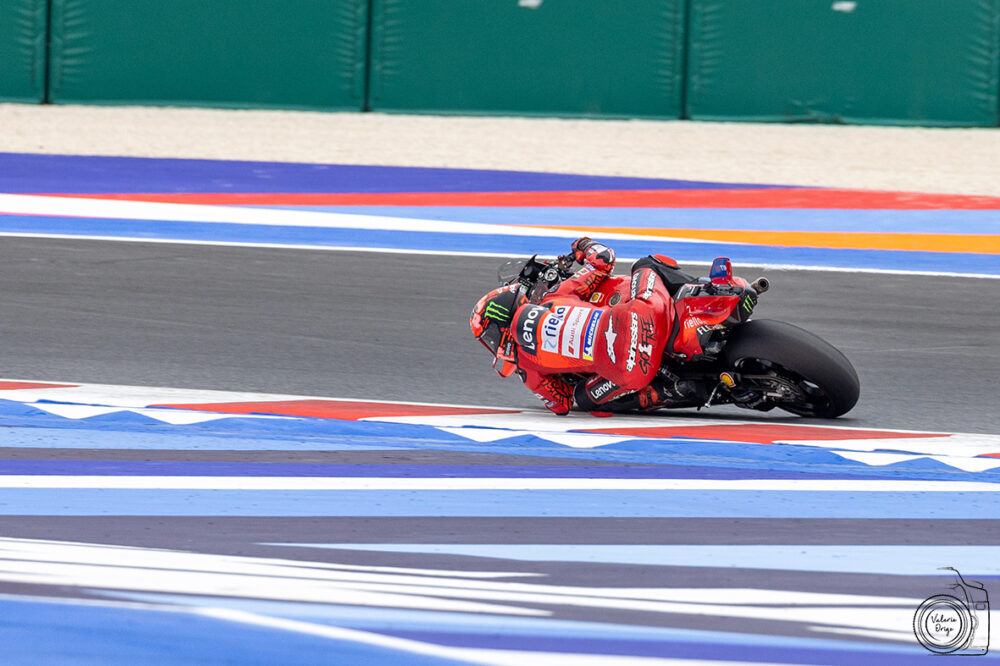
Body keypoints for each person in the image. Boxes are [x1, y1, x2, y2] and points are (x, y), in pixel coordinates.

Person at [470, 238, 703, 415]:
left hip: (633, 371)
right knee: (645, 264)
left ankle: (669, 391)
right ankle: (700, 289)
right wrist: (584, 245)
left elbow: (561, 404)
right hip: (646, 312)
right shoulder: (556, 294)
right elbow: (604, 259)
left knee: (584, 398)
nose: (492, 341)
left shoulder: (527, 370)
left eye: (489, 337)